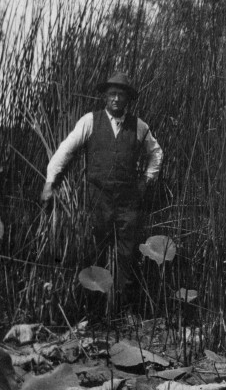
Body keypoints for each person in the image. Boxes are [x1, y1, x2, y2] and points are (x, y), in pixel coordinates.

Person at [40, 72, 163, 310]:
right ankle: (94, 309)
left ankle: (123, 310)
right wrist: (49, 182)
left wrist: (148, 179)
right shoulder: (90, 121)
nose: (116, 99)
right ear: (105, 97)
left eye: (121, 94)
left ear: (128, 99)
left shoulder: (139, 126)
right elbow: (65, 150)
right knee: (95, 250)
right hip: (98, 198)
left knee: (127, 254)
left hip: (129, 201)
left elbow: (156, 153)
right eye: (112, 94)